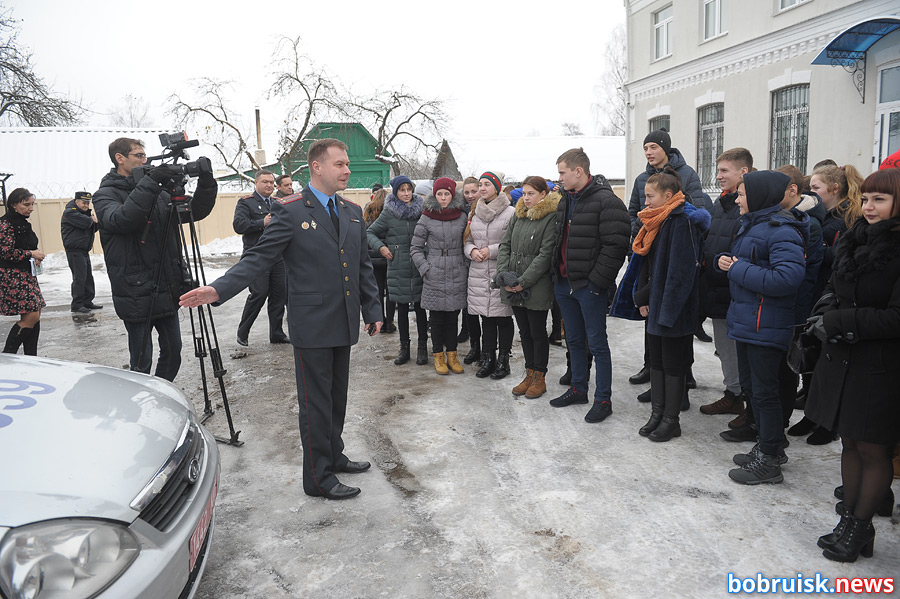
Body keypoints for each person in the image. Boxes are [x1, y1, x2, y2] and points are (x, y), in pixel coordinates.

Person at [180, 138, 381, 501]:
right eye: (340, 164)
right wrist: (218, 289)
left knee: (337, 397)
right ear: (317, 168)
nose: (347, 170)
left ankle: (334, 455)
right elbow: (258, 258)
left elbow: (362, 265)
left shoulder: (352, 211)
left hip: (345, 319)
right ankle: (318, 479)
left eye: (347, 163)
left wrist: (372, 309)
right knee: (315, 404)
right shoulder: (290, 211)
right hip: (312, 323)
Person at [804, 168, 900, 562]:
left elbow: (896, 318)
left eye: (879, 200)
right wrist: (826, 307)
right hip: (842, 360)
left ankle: (861, 527)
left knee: (874, 449)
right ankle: (849, 520)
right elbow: (836, 286)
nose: (869, 206)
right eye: (866, 199)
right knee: (849, 442)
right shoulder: (854, 237)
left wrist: (841, 321)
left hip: (880, 365)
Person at [93, 137, 217, 381]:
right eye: (138, 155)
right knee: (141, 361)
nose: (145, 159)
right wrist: (151, 182)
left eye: (144, 155)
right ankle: (139, 408)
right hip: (135, 289)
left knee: (173, 353)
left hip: (167, 284)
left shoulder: (158, 192)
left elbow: (194, 212)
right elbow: (122, 219)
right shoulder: (105, 194)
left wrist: (206, 182)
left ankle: (160, 395)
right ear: (120, 158)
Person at [718, 170, 807, 485]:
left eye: (741, 194)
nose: (737, 199)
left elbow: (787, 279)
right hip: (748, 322)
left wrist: (739, 268)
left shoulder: (781, 230)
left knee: (766, 393)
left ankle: (769, 459)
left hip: (765, 325)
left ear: (757, 197)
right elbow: (756, 265)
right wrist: (730, 262)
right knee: (754, 390)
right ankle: (770, 446)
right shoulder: (753, 225)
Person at [626, 167, 710, 441]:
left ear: (669, 195)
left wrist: (666, 312)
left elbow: (680, 274)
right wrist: (644, 299)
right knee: (658, 363)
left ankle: (671, 419)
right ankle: (657, 414)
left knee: (674, 365)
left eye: (650, 196)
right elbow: (649, 266)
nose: (645, 202)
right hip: (657, 304)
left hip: (673, 309)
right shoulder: (657, 220)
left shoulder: (681, 222)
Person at [549, 148, 630, 423]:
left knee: (597, 343)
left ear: (578, 171)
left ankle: (603, 399)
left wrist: (597, 283)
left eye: (562, 172)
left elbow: (616, 245)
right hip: (564, 283)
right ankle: (578, 389)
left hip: (589, 287)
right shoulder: (564, 201)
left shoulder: (607, 201)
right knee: (573, 341)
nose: (558, 178)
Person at [627, 129, 712, 389]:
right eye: (645, 148)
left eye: (653, 146)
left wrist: (669, 225)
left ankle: (683, 374)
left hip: (676, 250)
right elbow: (633, 212)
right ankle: (651, 367)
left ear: (665, 148)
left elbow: (699, 212)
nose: (649, 152)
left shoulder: (686, 175)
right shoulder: (642, 178)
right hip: (650, 251)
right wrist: (643, 230)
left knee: (675, 317)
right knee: (650, 312)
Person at [698, 148, 752, 431]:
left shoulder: (748, 205)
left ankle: (745, 400)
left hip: (737, 292)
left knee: (738, 350)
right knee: (723, 348)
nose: (718, 177)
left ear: (743, 172)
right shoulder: (721, 204)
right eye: (718, 171)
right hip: (716, 289)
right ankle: (732, 394)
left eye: (724, 171)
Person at [497, 176, 559, 398]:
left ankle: (539, 377)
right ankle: (529, 373)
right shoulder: (518, 214)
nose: (526, 197)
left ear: (543, 194)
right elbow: (505, 245)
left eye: (531, 193)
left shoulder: (551, 217)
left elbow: (545, 255)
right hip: (512, 282)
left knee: (537, 332)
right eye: (524, 193)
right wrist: (505, 276)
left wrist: (522, 281)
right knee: (524, 332)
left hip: (535, 286)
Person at [410, 178, 468, 374]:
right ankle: (438, 356)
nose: (443, 198)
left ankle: (452, 354)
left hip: (456, 270)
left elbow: (467, 242)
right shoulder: (426, 217)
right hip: (434, 272)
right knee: (436, 319)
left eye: (447, 194)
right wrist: (426, 268)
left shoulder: (461, 216)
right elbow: (415, 248)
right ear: (434, 195)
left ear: (453, 195)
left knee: (453, 317)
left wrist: (464, 266)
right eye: (439, 194)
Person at [367, 176, 426, 364]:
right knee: (401, 309)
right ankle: (404, 348)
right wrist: (382, 248)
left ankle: (423, 348)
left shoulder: (422, 210)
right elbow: (369, 232)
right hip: (398, 265)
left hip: (419, 264)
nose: (406, 193)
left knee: (421, 308)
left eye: (409, 189)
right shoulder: (389, 213)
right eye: (402, 190)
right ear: (395, 192)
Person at [464, 171, 516, 379]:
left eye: (487, 184)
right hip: (477, 272)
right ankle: (488, 359)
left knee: (502, 318)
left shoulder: (510, 212)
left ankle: (503, 361)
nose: (482, 188)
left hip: (499, 271)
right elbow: (467, 240)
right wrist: (472, 251)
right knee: (485, 318)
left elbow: (512, 243)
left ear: (497, 187)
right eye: (480, 184)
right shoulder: (474, 212)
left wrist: (490, 250)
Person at [1, 188, 46, 356]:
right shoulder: (5, 224)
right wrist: (31, 253)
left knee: (36, 314)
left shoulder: (23, 223)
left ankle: (31, 356)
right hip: (12, 276)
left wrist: (35, 254)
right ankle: (8, 355)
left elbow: (26, 244)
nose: (31, 208)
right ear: (14, 205)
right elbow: (6, 252)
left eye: (32, 204)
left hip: (27, 274)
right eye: (26, 204)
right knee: (31, 316)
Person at [60, 191, 102, 314]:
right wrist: (91, 220)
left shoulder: (83, 213)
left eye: (87, 203)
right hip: (74, 250)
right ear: (76, 201)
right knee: (79, 278)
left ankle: (87, 301)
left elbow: (93, 227)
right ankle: (77, 304)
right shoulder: (70, 212)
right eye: (83, 203)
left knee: (88, 277)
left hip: (83, 250)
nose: (86, 205)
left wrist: (93, 221)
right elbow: (87, 223)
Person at [363, 187, 396, 335]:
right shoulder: (390, 213)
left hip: (373, 259)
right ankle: (389, 322)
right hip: (388, 257)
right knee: (390, 293)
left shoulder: (367, 213)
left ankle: (380, 321)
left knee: (377, 292)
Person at [458, 176, 480, 351]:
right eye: (467, 192)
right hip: (464, 258)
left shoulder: (483, 209)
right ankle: (467, 332)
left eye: (474, 191)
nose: (470, 195)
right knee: (467, 301)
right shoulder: (460, 210)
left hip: (482, 259)